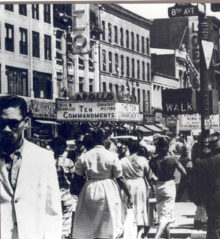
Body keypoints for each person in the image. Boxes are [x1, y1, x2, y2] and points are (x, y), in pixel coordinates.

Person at [0, 95, 62, 238]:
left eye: (13, 123)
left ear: (26, 122)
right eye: (1, 123)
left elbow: (52, 211)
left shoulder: (43, 158)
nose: (7, 129)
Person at [72, 129, 132, 239]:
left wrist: (78, 192)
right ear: (103, 140)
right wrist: (129, 193)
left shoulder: (85, 156)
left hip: (89, 189)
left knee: (90, 222)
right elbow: (120, 178)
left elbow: (76, 177)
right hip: (108, 189)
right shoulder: (112, 156)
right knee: (108, 222)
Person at [149, 137, 187, 239]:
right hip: (169, 185)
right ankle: (156, 237)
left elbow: (150, 176)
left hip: (158, 186)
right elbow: (184, 172)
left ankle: (168, 238)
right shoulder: (173, 159)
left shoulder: (153, 161)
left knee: (163, 214)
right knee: (166, 215)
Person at [121, 139, 151, 239]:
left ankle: (128, 232)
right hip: (140, 184)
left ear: (129, 148)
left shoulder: (123, 160)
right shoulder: (143, 160)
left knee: (128, 208)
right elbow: (148, 175)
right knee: (140, 207)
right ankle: (139, 233)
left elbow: (120, 175)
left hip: (127, 184)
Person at [49, 137, 75, 239]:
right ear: (64, 148)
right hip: (65, 194)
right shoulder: (68, 162)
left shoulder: (47, 160)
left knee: (51, 218)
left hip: (50, 194)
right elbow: (73, 179)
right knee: (66, 219)